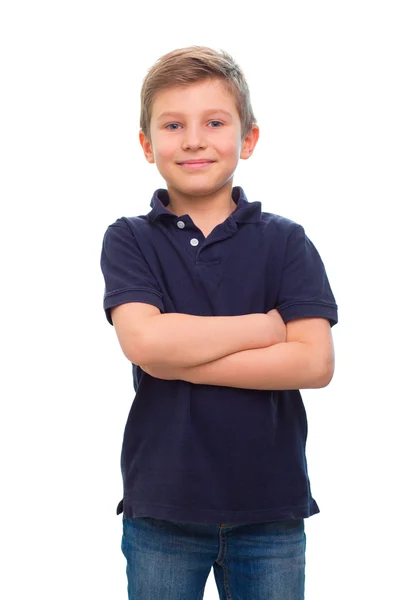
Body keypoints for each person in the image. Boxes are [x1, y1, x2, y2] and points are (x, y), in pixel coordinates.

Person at [100, 45, 338, 600]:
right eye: (173, 124)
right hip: (164, 506)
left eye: (214, 122)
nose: (193, 139)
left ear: (248, 138)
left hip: (270, 509)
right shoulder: (129, 238)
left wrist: (180, 359)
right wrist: (266, 328)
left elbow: (314, 361)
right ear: (146, 144)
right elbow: (146, 343)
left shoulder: (285, 241)